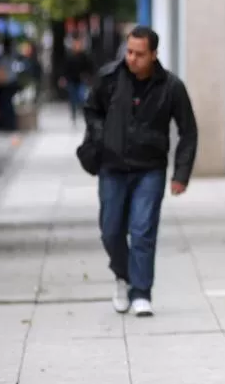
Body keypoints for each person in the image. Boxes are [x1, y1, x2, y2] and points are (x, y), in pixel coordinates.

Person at [79, 26, 198, 317]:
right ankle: (123, 276)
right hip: (112, 166)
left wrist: (181, 174)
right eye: (129, 51)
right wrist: (100, 135)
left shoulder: (171, 87)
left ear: (154, 55)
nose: (132, 58)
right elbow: (91, 109)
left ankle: (142, 292)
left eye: (139, 54)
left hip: (150, 169)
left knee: (143, 230)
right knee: (110, 231)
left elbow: (188, 131)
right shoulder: (109, 79)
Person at [60, 36, 94, 124]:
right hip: (71, 80)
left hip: (81, 80)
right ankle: (73, 113)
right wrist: (64, 78)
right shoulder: (69, 56)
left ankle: (82, 112)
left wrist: (89, 76)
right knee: (72, 98)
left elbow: (89, 67)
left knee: (81, 96)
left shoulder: (84, 56)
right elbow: (65, 68)